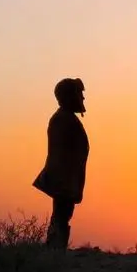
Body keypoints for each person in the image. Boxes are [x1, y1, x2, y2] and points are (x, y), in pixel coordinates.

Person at [32, 78, 90, 249]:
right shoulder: (62, 119)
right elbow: (60, 154)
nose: (82, 98)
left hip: (67, 180)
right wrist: (64, 182)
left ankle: (55, 249)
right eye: (79, 94)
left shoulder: (66, 118)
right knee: (61, 215)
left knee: (63, 214)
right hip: (63, 180)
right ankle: (55, 250)